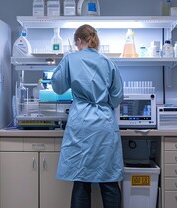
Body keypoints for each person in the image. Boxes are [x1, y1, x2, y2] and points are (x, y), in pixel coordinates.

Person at [51, 24, 124, 208]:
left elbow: (57, 87)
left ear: (78, 41)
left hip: (81, 123)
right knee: (109, 180)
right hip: (104, 124)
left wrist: (65, 62)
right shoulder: (108, 62)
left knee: (81, 180)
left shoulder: (70, 59)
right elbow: (117, 97)